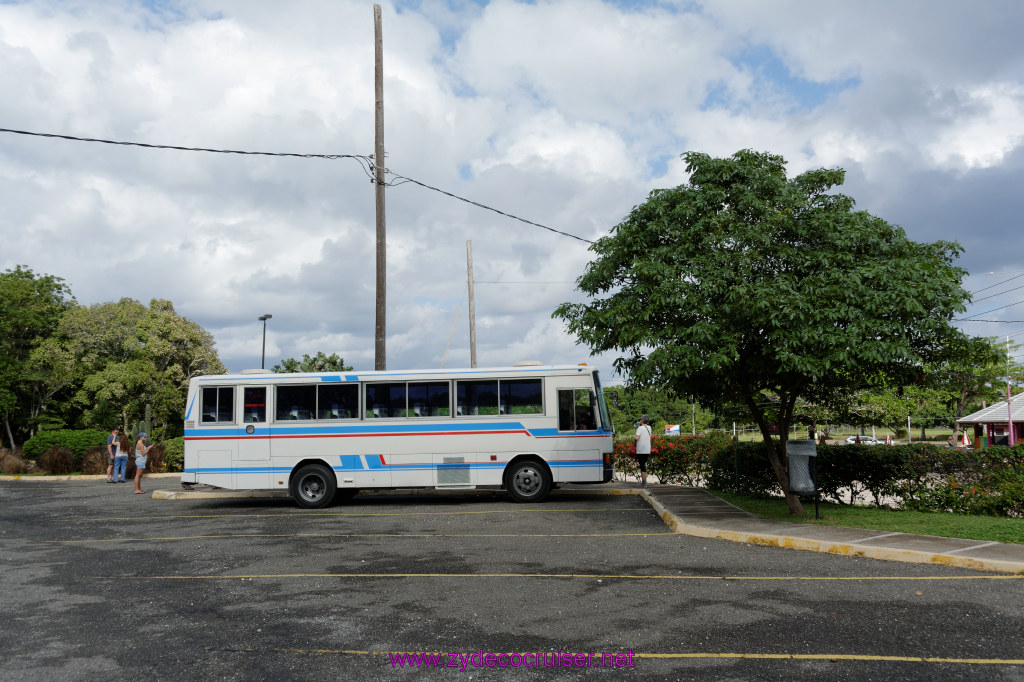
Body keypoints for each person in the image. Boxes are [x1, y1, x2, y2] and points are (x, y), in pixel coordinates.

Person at [634, 414, 652, 488]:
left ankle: (644, 483)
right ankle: (644, 482)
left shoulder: (640, 428)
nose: (640, 420)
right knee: (643, 465)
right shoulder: (649, 427)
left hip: (641, 450)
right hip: (647, 449)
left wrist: (636, 432)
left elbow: (637, 438)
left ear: (642, 420)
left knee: (642, 466)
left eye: (640, 419)